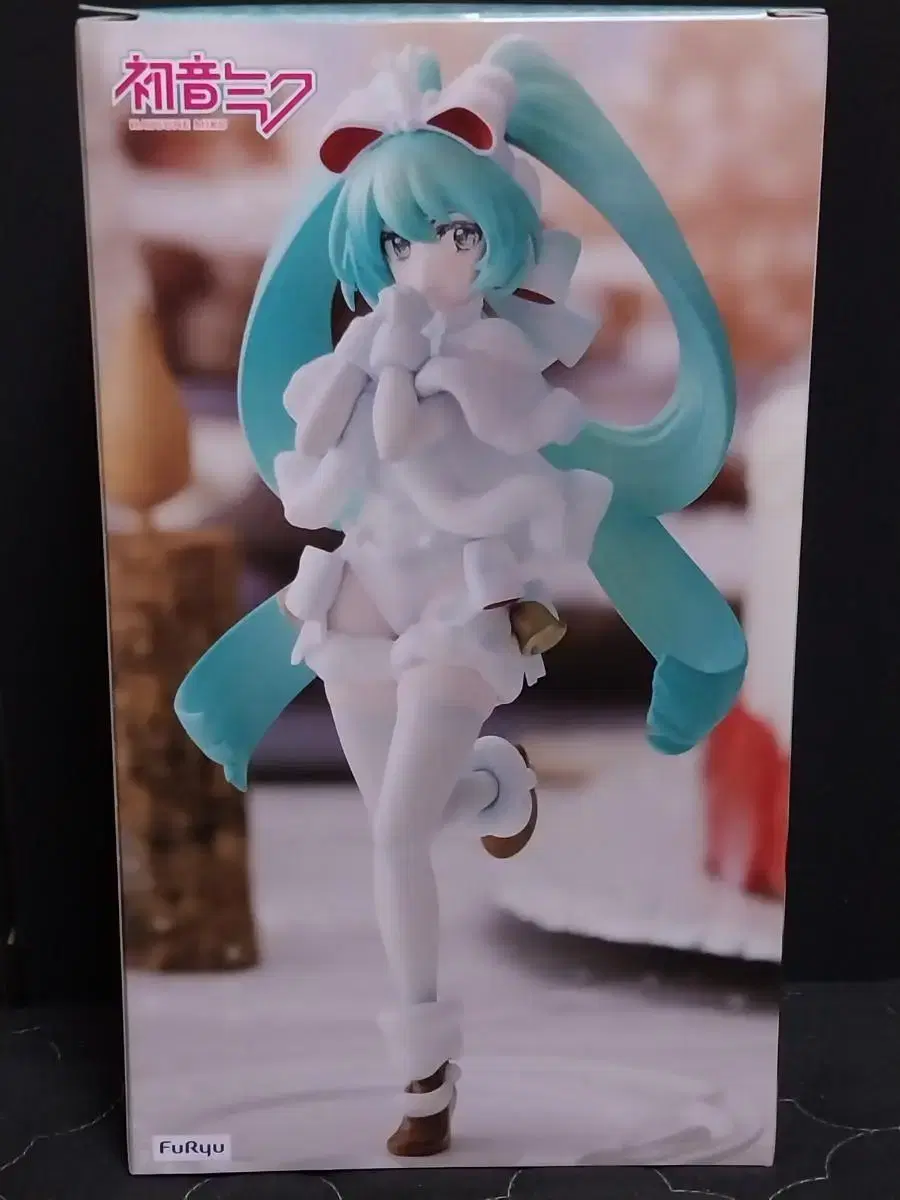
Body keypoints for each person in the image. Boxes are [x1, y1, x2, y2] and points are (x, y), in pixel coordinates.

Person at [176, 37, 747, 1158]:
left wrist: (401, 372)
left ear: (496, 242)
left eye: (455, 234)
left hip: (460, 603)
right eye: (397, 241)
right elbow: (313, 477)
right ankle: (491, 781)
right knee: (397, 818)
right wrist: (364, 367)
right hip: (363, 592)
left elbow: (441, 458)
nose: (424, 261)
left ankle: (424, 1077)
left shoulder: (499, 368)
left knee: (395, 835)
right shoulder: (362, 351)